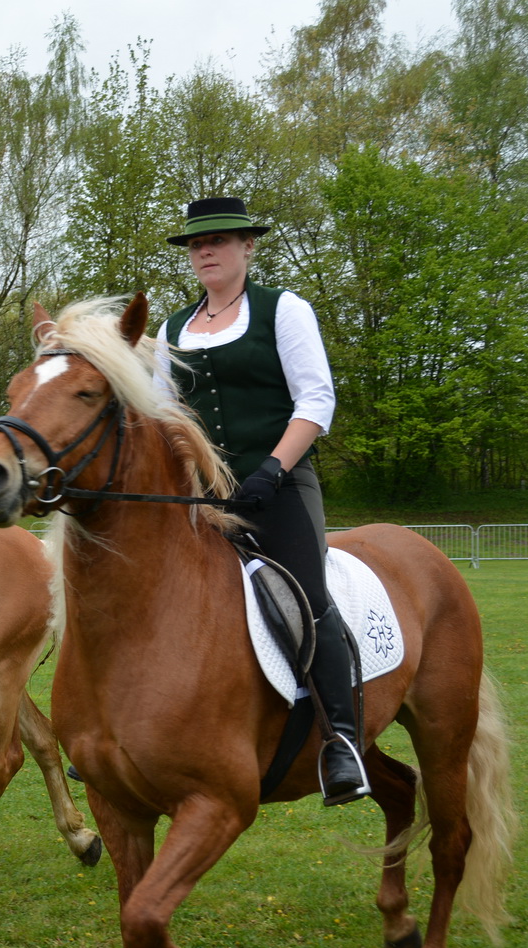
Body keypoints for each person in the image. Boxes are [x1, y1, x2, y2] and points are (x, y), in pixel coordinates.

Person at [152, 197, 370, 806]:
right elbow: (161, 419)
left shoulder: (284, 310)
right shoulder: (171, 331)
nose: (205, 251)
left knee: (309, 601)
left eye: (219, 240)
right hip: (204, 502)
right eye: (196, 244)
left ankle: (341, 743)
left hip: (279, 489)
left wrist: (274, 468)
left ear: (248, 246)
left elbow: (316, 400)